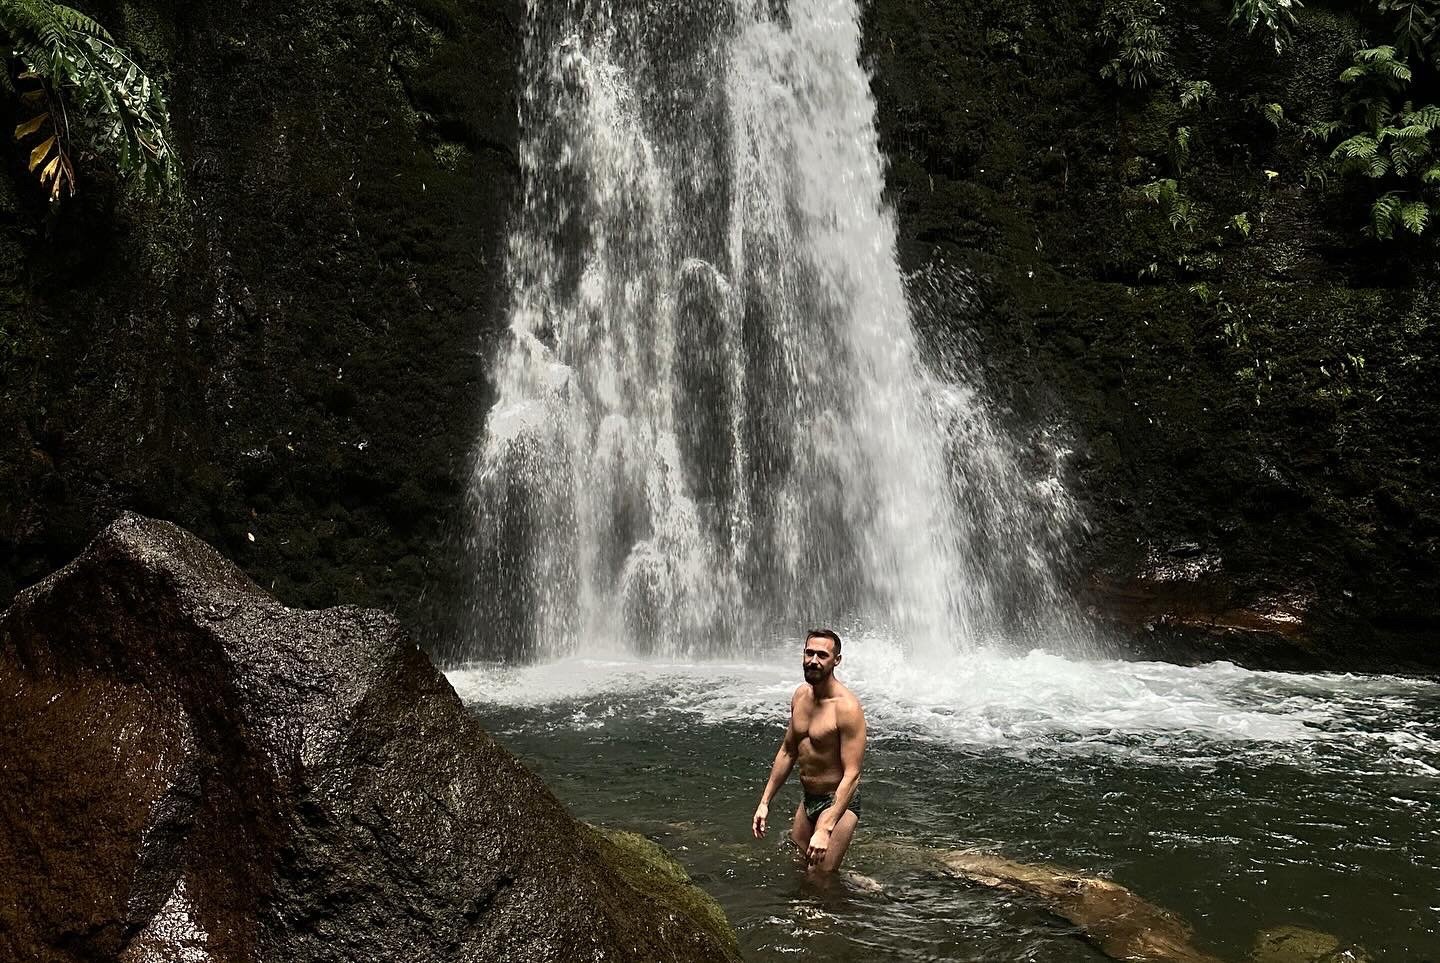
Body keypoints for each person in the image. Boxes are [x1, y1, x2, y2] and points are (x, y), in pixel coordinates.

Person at [751, 628, 867, 873]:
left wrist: (825, 827)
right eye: (809, 653)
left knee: (818, 879)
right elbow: (788, 751)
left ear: (836, 660)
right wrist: (764, 802)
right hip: (809, 799)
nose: (814, 661)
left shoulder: (847, 708)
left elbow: (852, 774)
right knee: (798, 865)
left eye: (822, 655)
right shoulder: (800, 696)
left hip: (838, 802)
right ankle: (850, 883)